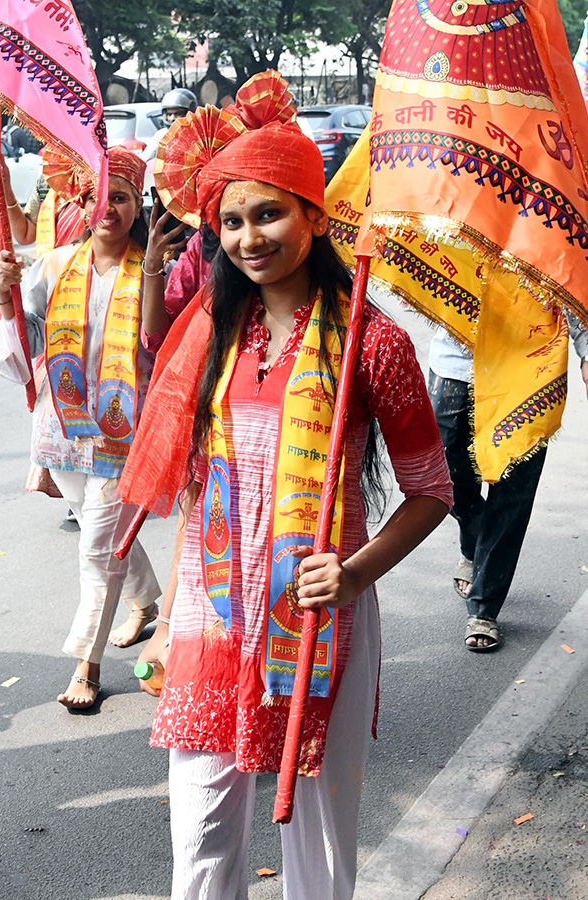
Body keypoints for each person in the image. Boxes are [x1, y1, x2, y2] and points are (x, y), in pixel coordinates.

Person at [120, 71, 453, 899]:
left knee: (319, 843)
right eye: (231, 221)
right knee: (199, 841)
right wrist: (168, 623)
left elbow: (432, 489)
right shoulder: (212, 329)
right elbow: (197, 485)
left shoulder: (372, 342)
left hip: (318, 621)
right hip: (211, 613)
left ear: (315, 214)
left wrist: (355, 572)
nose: (249, 238)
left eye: (269, 213)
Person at [0, 146, 185, 708]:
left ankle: (87, 666)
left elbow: (159, 343)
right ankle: (144, 601)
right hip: (61, 429)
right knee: (102, 535)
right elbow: (24, 342)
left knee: (97, 550)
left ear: (136, 205)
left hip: (124, 434)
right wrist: (4, 296)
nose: (108, 208)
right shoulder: (54, 265)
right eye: (98, 196)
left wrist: (154, 269)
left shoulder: (154, 268)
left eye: (120, 197)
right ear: (80, 201)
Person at [427, 327, 548, 651]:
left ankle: (484, 607)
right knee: (446, 478)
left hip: (532, 371)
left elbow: (576, 295)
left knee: (513, 493)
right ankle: (475, 540)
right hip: (456, 365)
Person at [141, 88, 197, 161]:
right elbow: (145, 158)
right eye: (169, 114)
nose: (172, 118)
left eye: (177, 114)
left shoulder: (198, 135)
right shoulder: (161, 135)